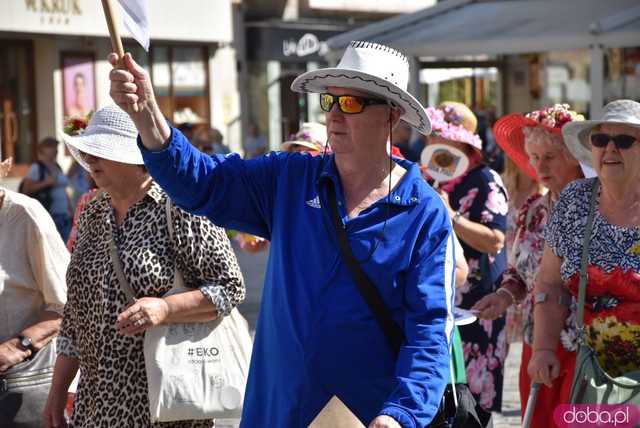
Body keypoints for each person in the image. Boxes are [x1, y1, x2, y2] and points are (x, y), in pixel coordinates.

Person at [109, 40, 456, 428]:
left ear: (392, 116)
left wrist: (401, 414)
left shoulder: (423, 210)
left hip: (365, 418)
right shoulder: (290, 178)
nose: (336, 116)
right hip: (276, 411)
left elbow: (430, 330)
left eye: (353, 103)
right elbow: (201, 184)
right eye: (331, 101)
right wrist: (148, 118)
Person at [43, 105, 246, 428]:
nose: (91, 160)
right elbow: (75, 316)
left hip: (165, 405)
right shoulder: (93, 210)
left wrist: (165, 308)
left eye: (102, 151)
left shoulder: (180, 204)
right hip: (94, 407)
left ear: (139, 158)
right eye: (89, 151)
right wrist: (56, 393)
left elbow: (229, 287)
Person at [472, 104, 584, 426]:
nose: (539, 167)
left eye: (549, 157)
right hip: (537, 345)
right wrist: (503, 297)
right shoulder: (534, 210)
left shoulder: (600, 205)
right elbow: (518, 273)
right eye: (534, 158)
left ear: (575, 156)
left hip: (584, 346)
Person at [528, 99, 640, 398]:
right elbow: (550, 283)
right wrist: (542, 348)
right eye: (601, 140)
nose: (610, 149)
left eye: (625, 141)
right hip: (592, 374)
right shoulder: (575, 200)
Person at [423, 104, 509, 413]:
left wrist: (452, 216)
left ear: (461, 144)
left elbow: (496, 241)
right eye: (430, 136)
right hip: (440, 302)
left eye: (439, 136)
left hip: (478, 305)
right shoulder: (429, 177)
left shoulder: (485, 180)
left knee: (472, 404)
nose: (432, 143)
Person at [0, 157, 69, 427]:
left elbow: (69, 303)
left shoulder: (25, 215)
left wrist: (18, 346)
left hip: (16, 390)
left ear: (5, 166)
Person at [20, 137, 73, 241]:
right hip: (49, 214)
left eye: (56, 147)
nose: (56, 150)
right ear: (43, 149)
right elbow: (26, 189)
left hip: (64, 214)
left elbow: (64, 190)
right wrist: (46, 183)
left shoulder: (57, 165)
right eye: (52, 147)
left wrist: (70, 208)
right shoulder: (37, 167)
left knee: (66, 247)